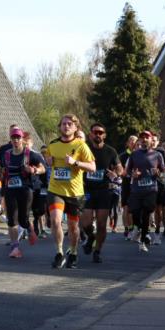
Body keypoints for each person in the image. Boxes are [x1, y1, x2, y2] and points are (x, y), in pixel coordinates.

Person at [45, 114, 96, 268]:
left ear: (75, 127)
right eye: (63, 124)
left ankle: (73, 252)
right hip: (55, 189)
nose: (66, 126)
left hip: (75, 192)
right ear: (59, 127)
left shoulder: (81, 146)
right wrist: (48, 161)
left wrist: (76, 163)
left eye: (69, 124)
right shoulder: (52, 145)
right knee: (55, 220)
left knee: (73, 227)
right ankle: (59, 252)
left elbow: (92, 167)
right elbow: (48, 159)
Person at [80, 123, 123, 264]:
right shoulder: (84, 148)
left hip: (104, 191)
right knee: (85, 222)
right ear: (90, 134)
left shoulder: (110, 151)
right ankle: (90, 237)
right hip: (87, 190)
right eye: (95, 132)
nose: (98, 135)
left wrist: (115, 173)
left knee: (101, 224)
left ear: (104, 135)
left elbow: (120, 169)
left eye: (100, 132)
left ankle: (97, 251)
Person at [0, 127, 45, 258]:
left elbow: (43, 168)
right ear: (11, 139)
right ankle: (15, 247)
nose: (16, 140)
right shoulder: (7, 154)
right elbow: (1, 168)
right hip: (10, 189)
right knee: (11, 219)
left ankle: (29, 228)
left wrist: (34, 170)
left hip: (25, 190)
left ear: (22, 139)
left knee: (23, 219)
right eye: (13, 138)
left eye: (18, 138)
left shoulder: (30, 154)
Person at [125, 130, 165, 253]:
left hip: (150, 190)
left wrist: (158, 173)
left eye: (146, 137)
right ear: (139, 140)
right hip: (136, 190)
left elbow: (163, 172)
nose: (144, 139)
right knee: (135, 212)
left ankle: (143, 241)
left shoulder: (157, 155)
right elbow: (127, 172)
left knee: (146, 215)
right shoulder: (134, 155)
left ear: (150, 140)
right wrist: (132, 174)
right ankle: (137, 228)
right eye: (142, 138)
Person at [119, 135, 138, 239]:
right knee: (126, 207)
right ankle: (127, 229)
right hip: (126, 184)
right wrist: (128, 174)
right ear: (127, 143)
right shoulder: (122, 156)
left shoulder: (139, 155)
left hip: (136, 185)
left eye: (135, 141)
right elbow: (120, 171)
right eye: (131, 141)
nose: (133, 143)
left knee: (133, 209)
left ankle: (134, 228)